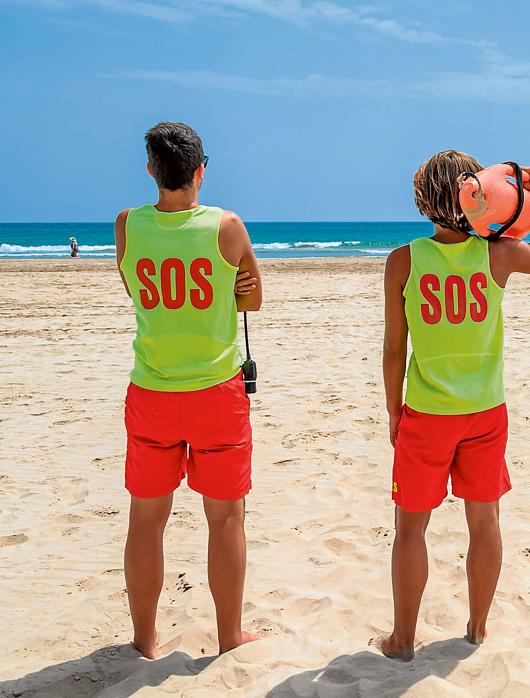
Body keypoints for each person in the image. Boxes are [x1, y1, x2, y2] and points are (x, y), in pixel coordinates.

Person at [375, 150, 530, 660]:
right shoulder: (498, 254)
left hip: (425, 414)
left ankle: (402, 640)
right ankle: (477, 628)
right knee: (484, 523)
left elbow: (395, 348)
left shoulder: (404, 260)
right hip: (486, 412)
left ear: (424, 201)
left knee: (410, 529)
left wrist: (393, 409)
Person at [113, 122, 263, 659]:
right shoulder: (226, 225)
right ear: (201, 170)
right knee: (225, 516)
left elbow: (135, 290)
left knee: (146, 519)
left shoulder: (127, 225)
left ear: (152, 170)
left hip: (152, 389)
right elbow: (252, 300)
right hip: (216, 394)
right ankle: (228, 636)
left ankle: (144, 639)